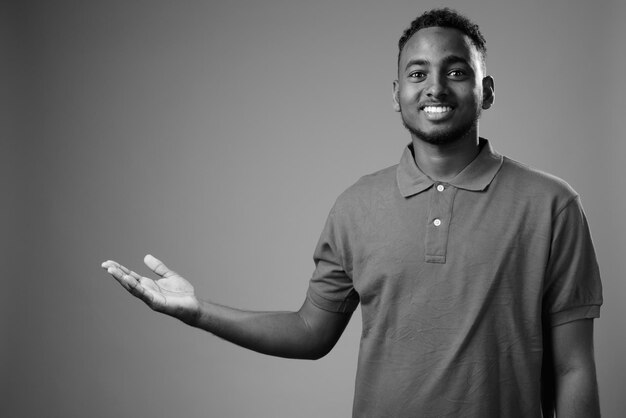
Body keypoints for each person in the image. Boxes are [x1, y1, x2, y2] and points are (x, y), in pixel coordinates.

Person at [102, 8, 603, 417]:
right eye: (417, 73)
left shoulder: (552, 204)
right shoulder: (356, 206)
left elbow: (573, 369)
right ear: (396, 94)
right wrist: (198, 312)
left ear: (485, 91)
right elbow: (310, 332)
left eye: (456, 71)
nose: (435, 87)